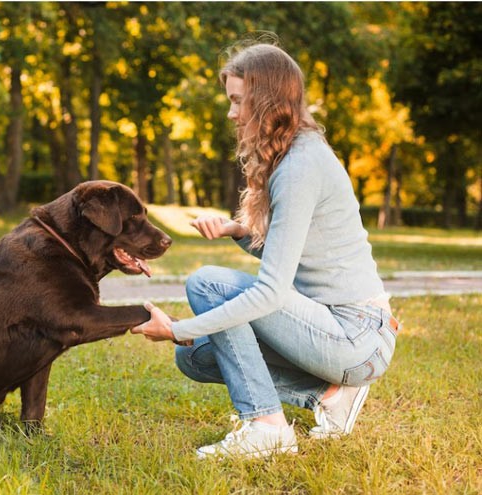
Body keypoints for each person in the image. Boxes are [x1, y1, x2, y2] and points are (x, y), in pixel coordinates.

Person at [131, 42, 400, 459]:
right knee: (196, 359)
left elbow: (271, 293)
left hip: (357, 334)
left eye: (238, 101)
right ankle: (328, 394)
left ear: (266, 99)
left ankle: (266, 427)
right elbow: (301, 256)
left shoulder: (299, 166)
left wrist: (177, 330)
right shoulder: (293, 155)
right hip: (331, 329)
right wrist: (240, 231)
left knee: (208, 284)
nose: (231, 113)